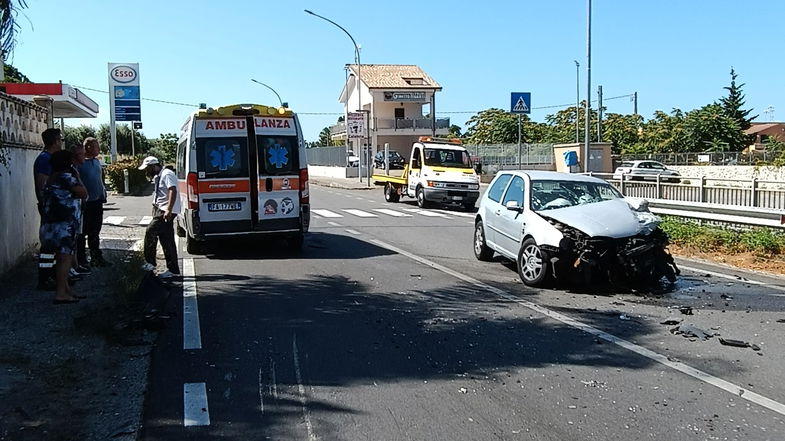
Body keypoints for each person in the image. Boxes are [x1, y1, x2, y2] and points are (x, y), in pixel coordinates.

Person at [40, 150, 87, 303]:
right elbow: (83, 192)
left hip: (51, 224)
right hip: (63, 226)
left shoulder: (52, 178)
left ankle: (66, 290)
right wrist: (77, 175)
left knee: (60, 258)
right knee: (64, 259)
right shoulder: (66, 177)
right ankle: (61, 293)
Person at [139, 156, 181, 279]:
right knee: (166, 239)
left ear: (153, 166)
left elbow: (172, 190)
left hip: (165, 210)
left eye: (147, 169)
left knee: (150, 231)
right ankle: (173, 270)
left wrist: (168, 209)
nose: (146, 171)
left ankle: (150, 263)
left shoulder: (167, 174)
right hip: (161, 209)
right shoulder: (159, 175)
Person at [34, 128, 63, 289]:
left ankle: (51, 274)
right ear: (55, 141)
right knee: (49, 243)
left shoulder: (49, 158)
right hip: (49, 207)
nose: (61, 142)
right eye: (60, 139)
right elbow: (42, 185)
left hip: (52, 206)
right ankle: (45, 279)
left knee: (54, 243)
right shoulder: (45, 159)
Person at [76, 137, 111, 267]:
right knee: (82, 232)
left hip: (97, 202)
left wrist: (103, 193)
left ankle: (96, 257)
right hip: (85, 204)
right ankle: (81, 259)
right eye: (96, 146)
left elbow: (100, 180)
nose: (99, 149)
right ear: (88, 147)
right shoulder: (79, 163)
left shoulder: (97, 162)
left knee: (95, 231)